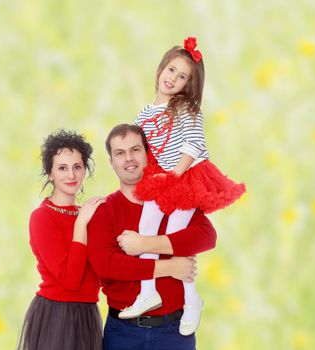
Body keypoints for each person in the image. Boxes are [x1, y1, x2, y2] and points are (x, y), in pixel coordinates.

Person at [119, 36, 246, 335]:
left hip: (188, 173)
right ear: (161, 68)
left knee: (177, 234)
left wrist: (175, 174)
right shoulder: (144, 114)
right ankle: (148, 291)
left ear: (188, 85)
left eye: (182, 76)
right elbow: (144, 149)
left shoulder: (187, 109)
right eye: (171, 70)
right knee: (146, 225)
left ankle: (192, 300)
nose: (172, 78)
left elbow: (193, 143)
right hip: (163, 176)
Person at [87, 124, 217, 350]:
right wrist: (169, 267)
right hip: (122, 333)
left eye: (135, 150)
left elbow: (206, 236)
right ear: (111, 162)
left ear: (147, 154)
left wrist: (144, 245)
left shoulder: (173, 200)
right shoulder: (105, 210)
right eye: (120, 153)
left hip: (174, 332)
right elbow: (106, 265)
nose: (129, 158)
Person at [17, 130, 106, 350]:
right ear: (50, 173)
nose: (71, 175)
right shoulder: (42, 217)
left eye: (77, 167)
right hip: (57, 317)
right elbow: (70, 279)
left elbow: (101, 272)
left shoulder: (85, 214)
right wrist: (81, 224)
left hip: (88, 314)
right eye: (62, 168)